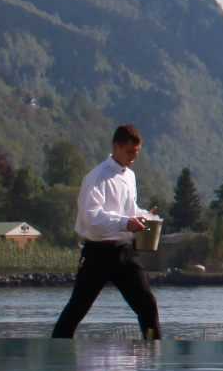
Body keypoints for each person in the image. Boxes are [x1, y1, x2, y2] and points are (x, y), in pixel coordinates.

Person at [52, 124, 161, 341]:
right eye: (130, 151)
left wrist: (143, 217)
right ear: (116, 147)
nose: (134, 157)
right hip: (98, 254)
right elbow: (91, 218)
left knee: (147, 305)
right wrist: (125, 223)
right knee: (77, 308)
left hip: (124, 252)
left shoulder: (130, 176)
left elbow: (128, 209)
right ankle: (57, 350)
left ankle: (153, 348)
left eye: (137, 152)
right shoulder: (96, 178)